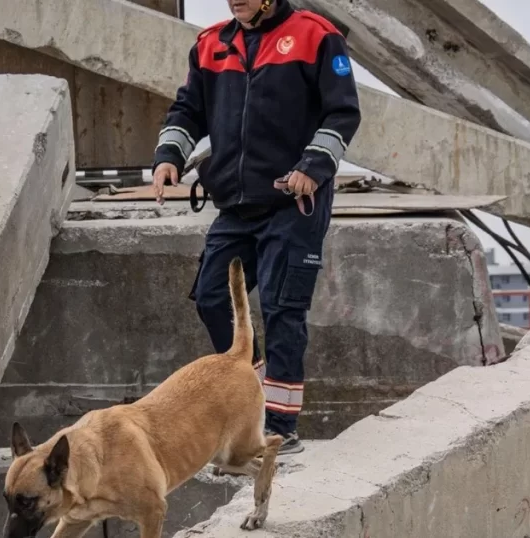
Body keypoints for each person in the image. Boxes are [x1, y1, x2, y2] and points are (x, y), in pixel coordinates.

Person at [151, 0, 361, 454]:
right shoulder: (211, 44)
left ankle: (280, 427)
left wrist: (313, 166)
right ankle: (255, 389)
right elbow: (188, 111)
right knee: (211, 296)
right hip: (235, 204)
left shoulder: (316, 35)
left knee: (283, 309)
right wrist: (168, 157)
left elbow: (342, 112)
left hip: (294, 201)